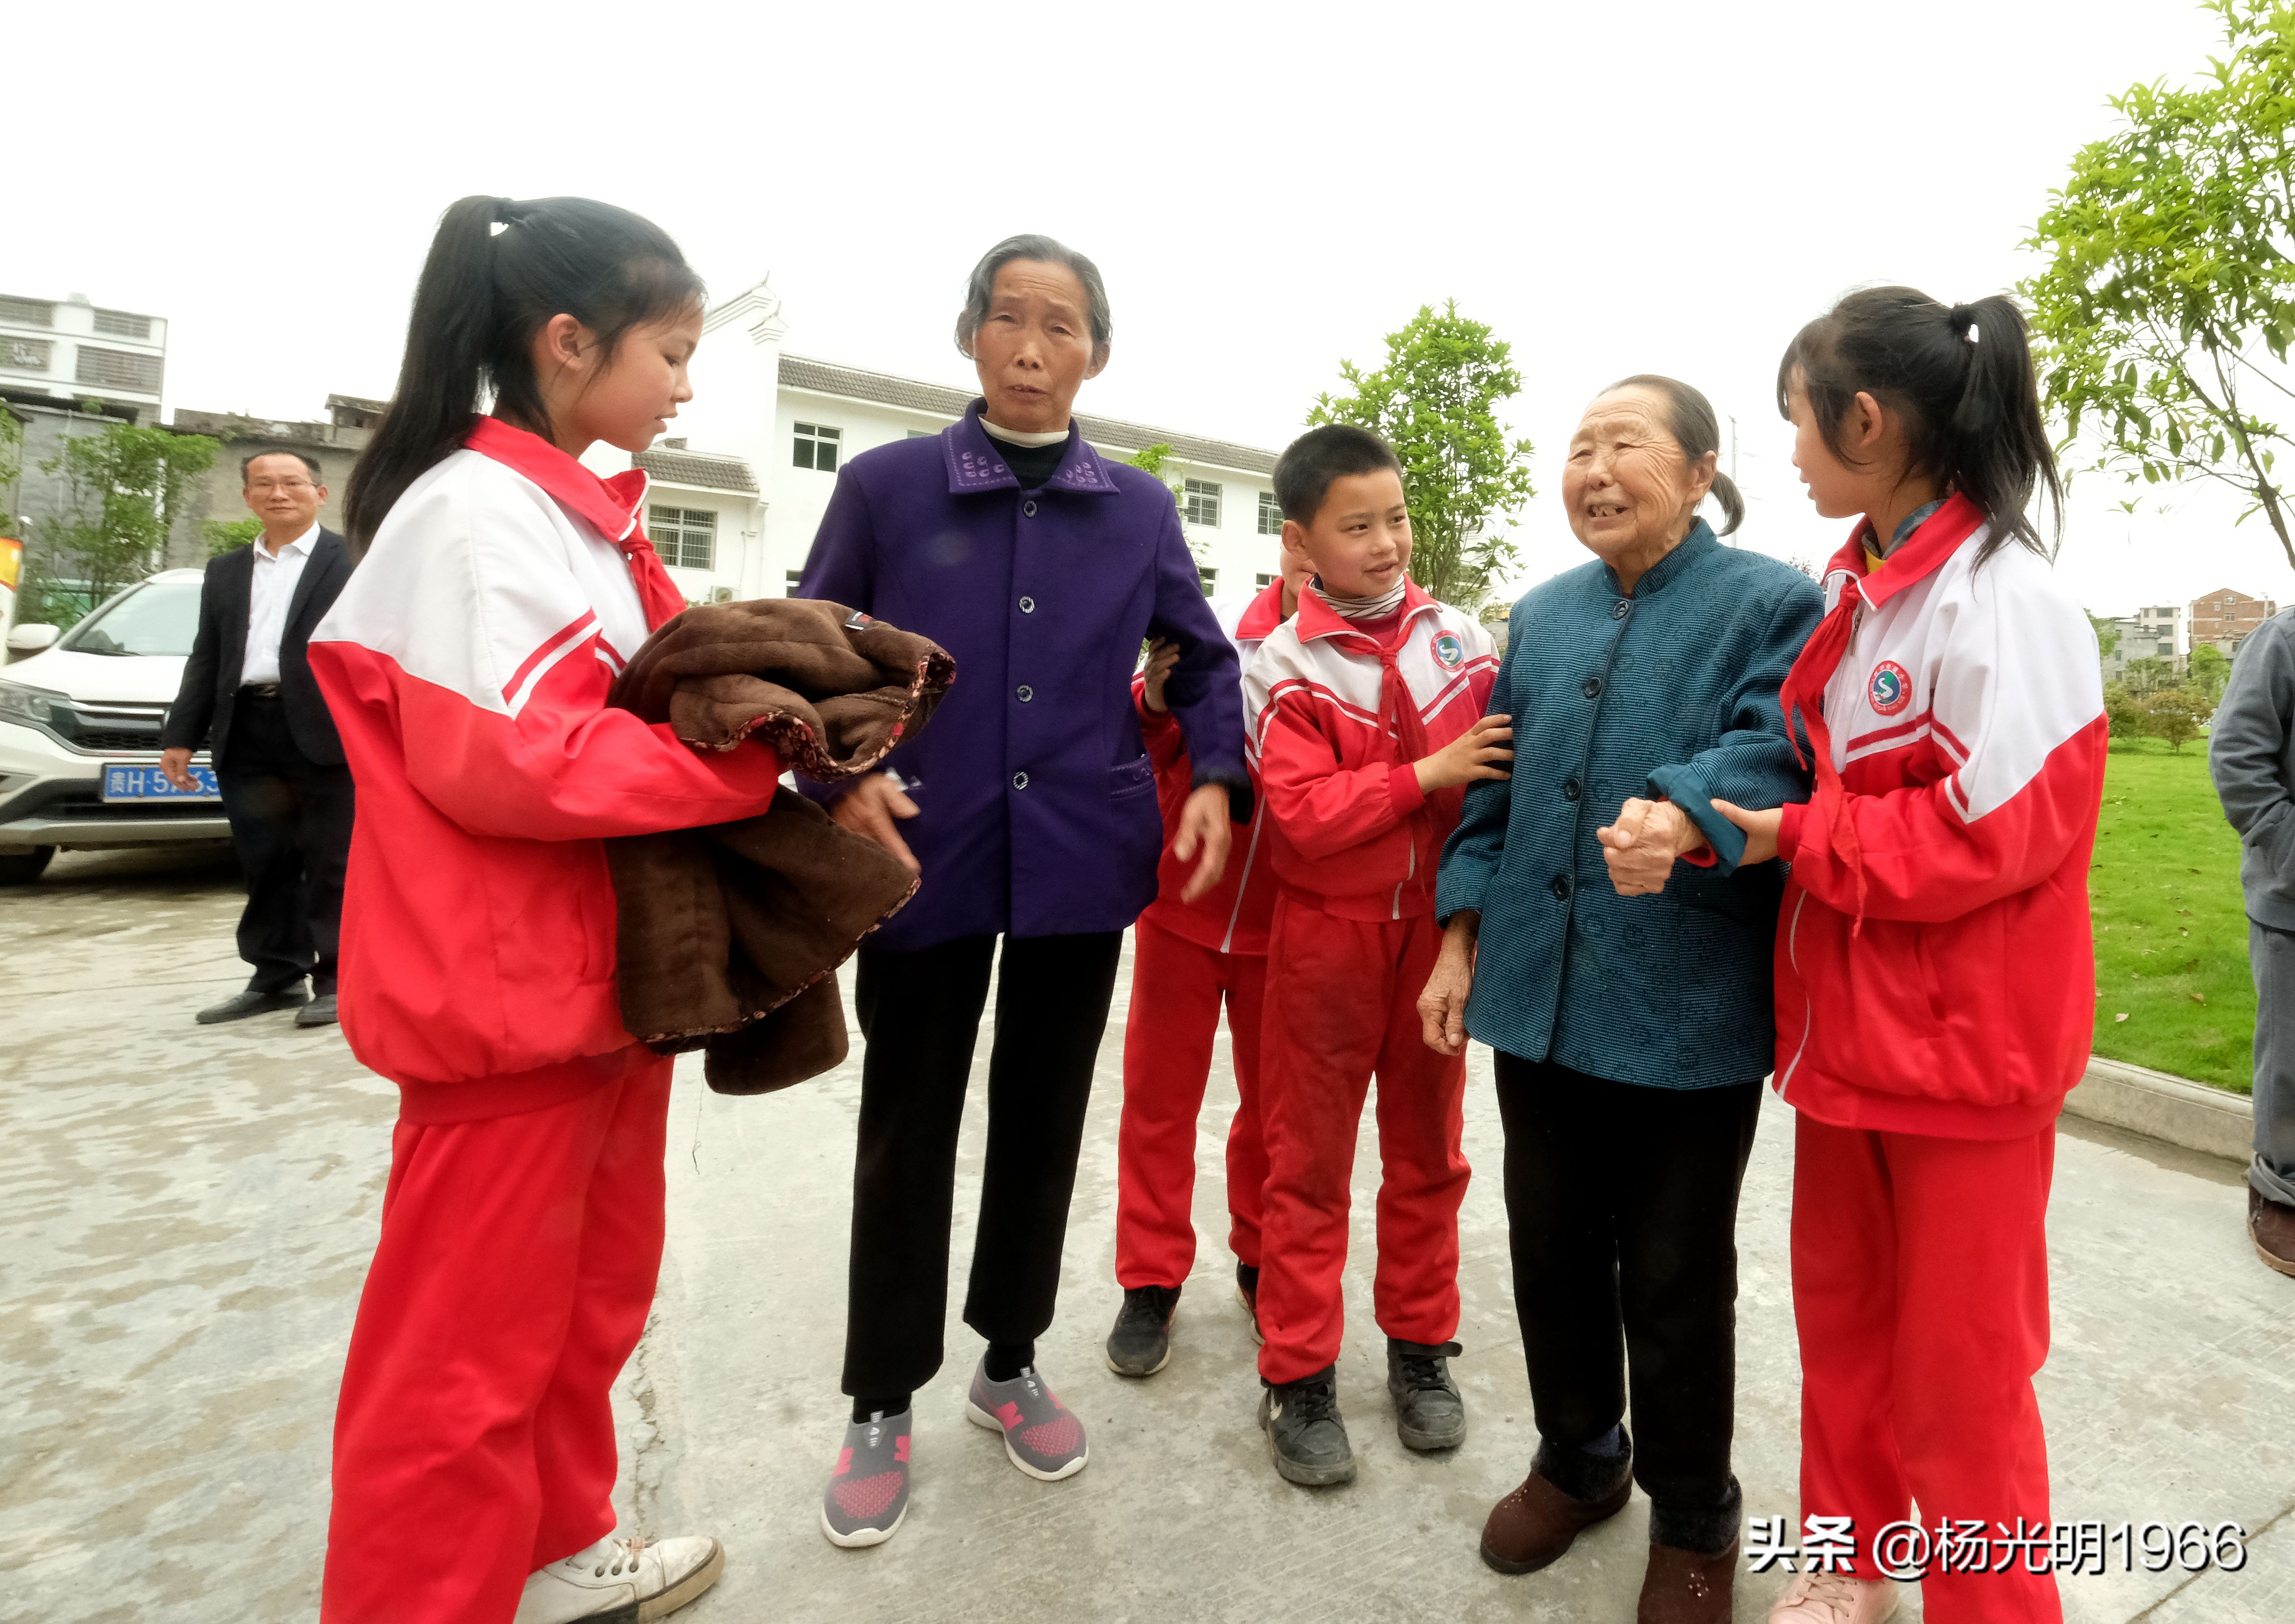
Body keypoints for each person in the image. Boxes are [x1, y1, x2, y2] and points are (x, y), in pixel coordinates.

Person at [306, 195, 778, 1624]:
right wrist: (749, 764)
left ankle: (556, 1546)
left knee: (583, 1311)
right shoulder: (472, 515)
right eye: (671, 353)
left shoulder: (577, 516)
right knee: (457, 1369)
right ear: (569, 344)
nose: (685, 386)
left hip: (594, 995)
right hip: (503, 1010)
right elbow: (522, 756)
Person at [795, 234, 1249, 1548]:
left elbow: (1200, 655)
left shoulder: (1139, 509)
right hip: (921, 851)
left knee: (1043, 1119)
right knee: (909, 1122)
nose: (1033, 347)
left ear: (1096, 352)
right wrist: (837, 781)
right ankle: (881, 1398)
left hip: (1078, 859)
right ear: (969, 336)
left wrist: (1215, 776)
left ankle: (1009, 1361)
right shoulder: (886, 487)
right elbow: (807, 647)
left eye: (1061, 325)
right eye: (1008, 318)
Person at [1710, 288, 2105, 1624]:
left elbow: (1997, 831)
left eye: (1797, 424)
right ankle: (1849, 1563)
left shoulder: (2007, 601)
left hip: (1962, 1064)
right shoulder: (1861, 593)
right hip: (1849, 1047)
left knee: (1962, 1375)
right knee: (1843, 1334)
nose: (1791, 455)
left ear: (1867, 421)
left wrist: (1799, 838)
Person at [1419, 376, 1822, 1620]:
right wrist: (1457, 937)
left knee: (1673, 1270)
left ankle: (1694, 1514)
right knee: (1548, 1248)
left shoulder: (1770, 603)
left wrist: (1683, 809)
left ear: (1699, 474)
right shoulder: (1540, 616)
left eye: (1625, 446)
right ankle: (1579, 1458)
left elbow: (1774, 749)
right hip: (1535, 994)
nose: (1593, 469)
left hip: (1682, 1002)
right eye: (1579, 447)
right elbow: (1492, 792)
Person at [1241, 422, 1503, 1488]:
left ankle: (1420, 1347)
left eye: (1396, 519)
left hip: (1435, 935)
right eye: (1357, 528)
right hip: (1325, 937)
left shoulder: (1461, 641)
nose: (1387, 544)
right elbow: (1302, 815)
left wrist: (1467, 927)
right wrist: (1426, 773)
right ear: (1301, 541)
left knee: (1430, 1152)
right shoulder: (1283, 663)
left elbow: (1499, 790)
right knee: (1305, 1159)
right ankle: (1297, 1373)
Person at [1106, 543, 1311, 1377]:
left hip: (1283, 926)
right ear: (1292, 542)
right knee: (1158, 1104)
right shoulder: (1217, 636)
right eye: (1314, 542)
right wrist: (1154, 699)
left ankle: (1259, 1256)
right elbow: (1143, 742)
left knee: (1272, 1112)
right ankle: (1149, 1278)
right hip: (1178, 910)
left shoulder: (1353, 655)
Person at [160, 450, 354, 1028]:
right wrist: (181, 735)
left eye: (292, 482)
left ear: (320, 493)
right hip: (246, 728)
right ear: (247, 497)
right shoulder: (225, 571)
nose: (278, 493)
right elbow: (208, 656)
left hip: (325, 730)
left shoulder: (355, 559)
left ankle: (338, 981)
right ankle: (275, 976)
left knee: (331, 861)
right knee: (264, 860)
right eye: (264, 484)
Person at [2206, 611, 2295, 1275]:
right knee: (2291, 1057)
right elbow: (2237, 757)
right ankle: (2280, 1187)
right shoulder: (2283, 641)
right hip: (2291, 904)